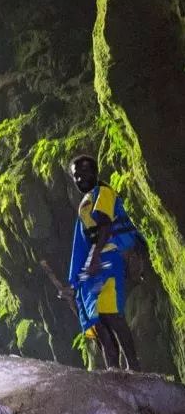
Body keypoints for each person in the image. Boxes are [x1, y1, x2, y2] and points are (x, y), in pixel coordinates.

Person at [66, 154, 140, 371]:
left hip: (110, 258)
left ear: (95, 172)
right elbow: (80, 244)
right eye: (76, 176)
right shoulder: (86, 202)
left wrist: (96, 256)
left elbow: (105, 225)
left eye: (84, 174)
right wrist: (74, 282)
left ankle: (133, 365)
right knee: (99, 322)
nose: (80, 179)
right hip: (94, 266)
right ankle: (113, 370)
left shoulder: (104, 193)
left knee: (110, 313)